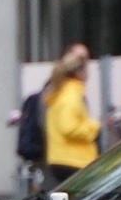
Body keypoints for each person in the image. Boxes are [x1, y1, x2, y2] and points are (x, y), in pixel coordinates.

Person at [42, 44, 99, 184]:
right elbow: (69, 127)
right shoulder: (71, 95)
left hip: (61, 158)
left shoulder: (59, 93)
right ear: (79, 72)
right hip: (74, 160)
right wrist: (93, 127)